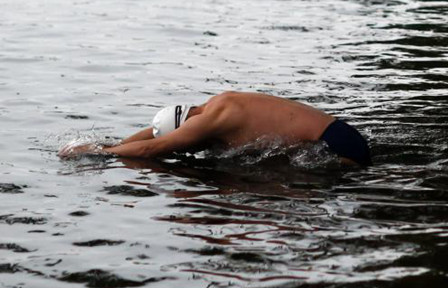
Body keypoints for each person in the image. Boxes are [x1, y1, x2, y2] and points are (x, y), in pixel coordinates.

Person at [58, 91, 371, 166]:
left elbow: (154, 148)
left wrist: (102, 153)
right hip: (342, 134)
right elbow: (156, 134)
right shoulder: (213, 107)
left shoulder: (210, 122)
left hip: (338, 148)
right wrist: (114, 142)